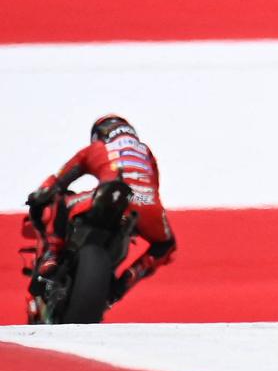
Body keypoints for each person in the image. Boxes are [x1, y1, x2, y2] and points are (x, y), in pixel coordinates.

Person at [27, 114, 176, 302]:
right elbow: (154, 186)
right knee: (166, 244)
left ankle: (52, 257)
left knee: (59, 200)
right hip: (146, 204)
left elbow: (58, 181)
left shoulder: (98, 148)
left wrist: (39, 195)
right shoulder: (146, 152)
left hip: (108, 194)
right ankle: (127, 279)